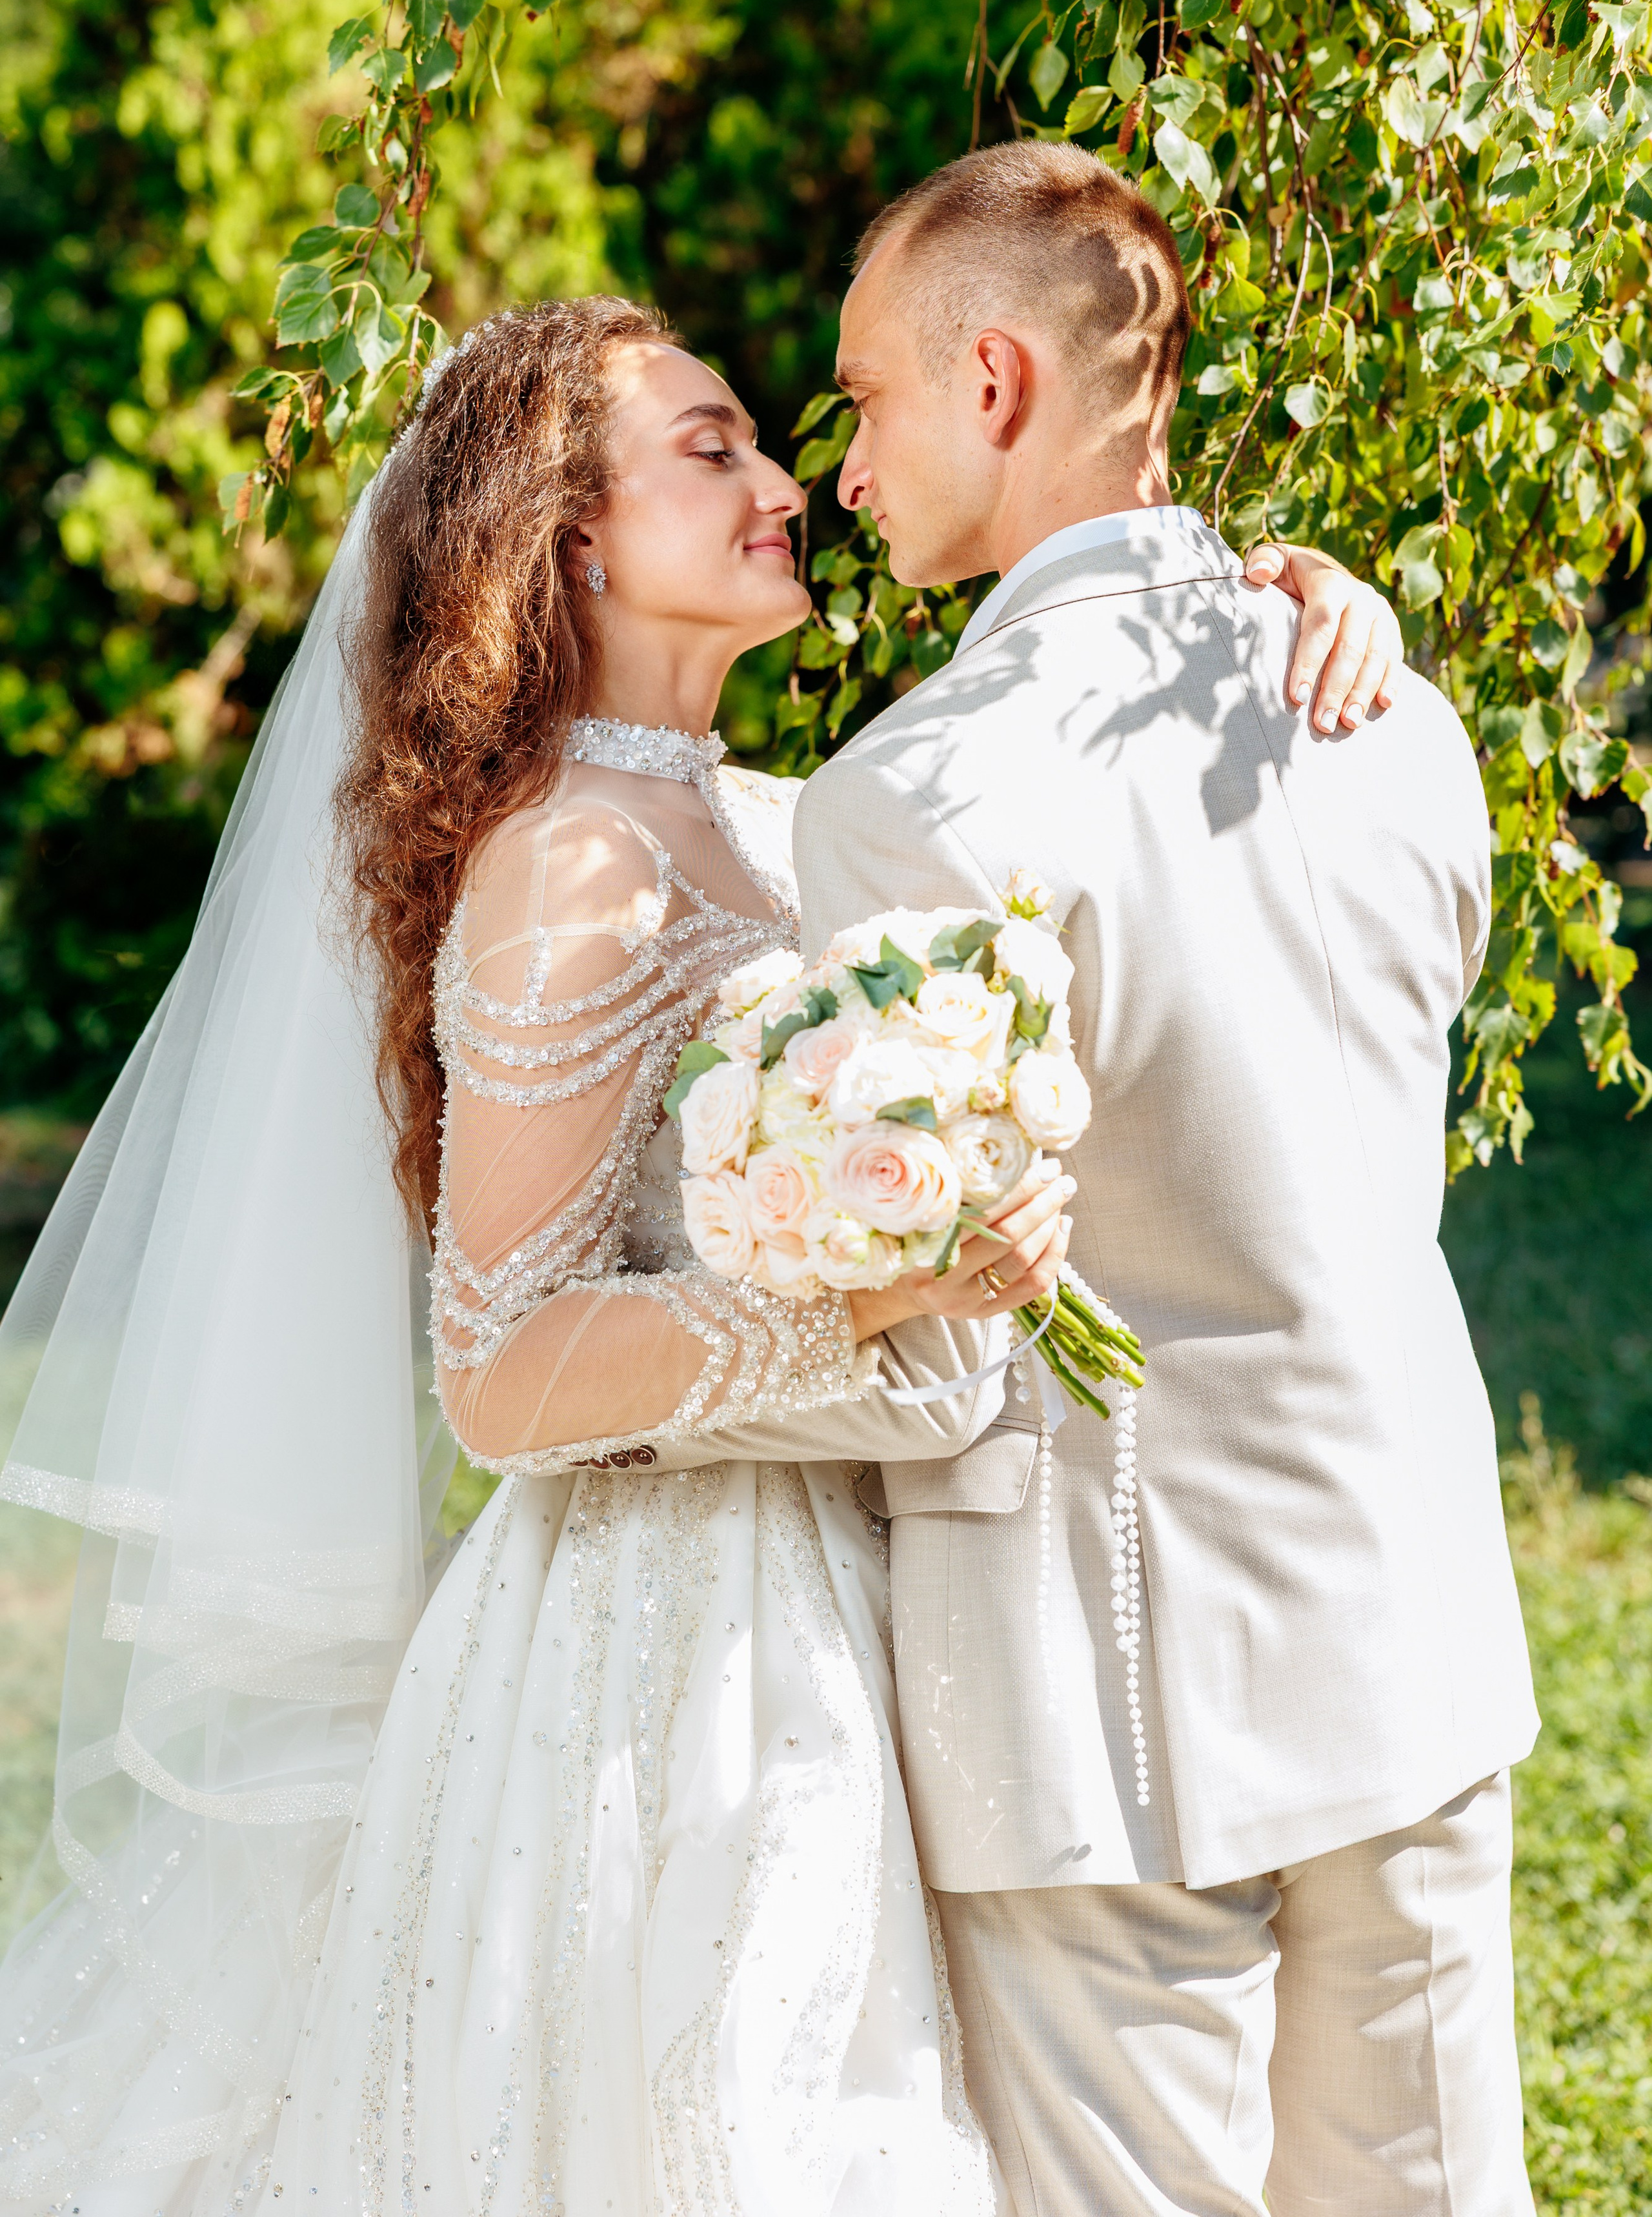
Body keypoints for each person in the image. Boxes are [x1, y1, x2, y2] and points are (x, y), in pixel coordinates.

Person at [0, 294, 1399, 2217]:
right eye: (713, 448)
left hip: (877, 1588)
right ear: (572, 538)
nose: (785, 485)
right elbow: (501, 1373)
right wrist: (872, 1295)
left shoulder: (779, 817)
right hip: (677, 1657)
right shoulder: (569, 863)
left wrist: (1278, 611)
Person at [794, 141, 1539, 2217]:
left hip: (1093, 1673)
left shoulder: (914, 796)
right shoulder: (1399, 722)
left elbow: (920, 1321)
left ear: (997, 383)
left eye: (864, 397)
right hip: (1410, 1602)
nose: (843, 467)